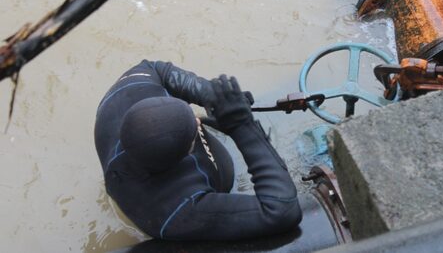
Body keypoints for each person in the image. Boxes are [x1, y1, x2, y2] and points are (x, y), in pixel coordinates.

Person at [94, 60, 301, 241]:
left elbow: (156, 68)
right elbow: (282, 211)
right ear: (185, 153)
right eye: (194, 126)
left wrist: (209, 94)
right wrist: (242, 127)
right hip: (222, 184)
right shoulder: (175, 211)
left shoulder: (120, 99)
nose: (196, 118)